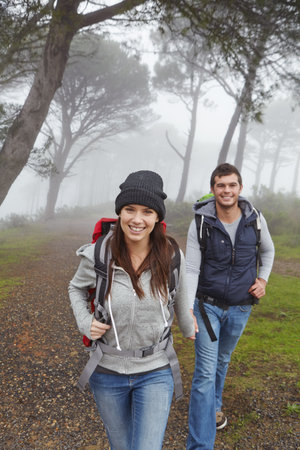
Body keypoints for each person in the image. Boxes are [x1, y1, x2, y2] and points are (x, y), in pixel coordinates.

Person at [68, 170, 195, 450]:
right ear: (120, 212)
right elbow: (75, 288)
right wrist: (84, 321)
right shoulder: (98, 254)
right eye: (130, 209)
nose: (137, 219)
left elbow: (181, 297)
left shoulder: (172, 255)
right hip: (107, 370)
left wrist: (188, 327)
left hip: (156, 369)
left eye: (147, 211)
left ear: (157, 218)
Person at [186, 163, 275, 450]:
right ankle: (201, 443)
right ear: (213, 189)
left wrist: (262, 279)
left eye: (232, 185)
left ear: (240, 187)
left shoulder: (255, 219)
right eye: (221, 185)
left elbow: (268, 251)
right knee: (204, 371)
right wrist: (187, 307)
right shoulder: (200, 221)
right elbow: (190, 268)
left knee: (222, 361)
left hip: (240, 307)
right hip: (207, 306)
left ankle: (215, 405)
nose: (227, 190)